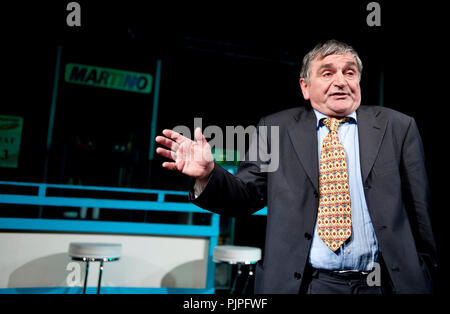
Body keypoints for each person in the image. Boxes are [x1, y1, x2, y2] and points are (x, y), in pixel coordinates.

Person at [155, 40, 438, 294]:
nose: (341, 81)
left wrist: (425, 273)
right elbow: (246, 196)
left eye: (349, 72)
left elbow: (420, 211)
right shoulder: (275, 128)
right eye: (327, 73)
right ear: (305, 86)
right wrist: (209, 175)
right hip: (307, 284)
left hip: (385, 284)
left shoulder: (398, 127)